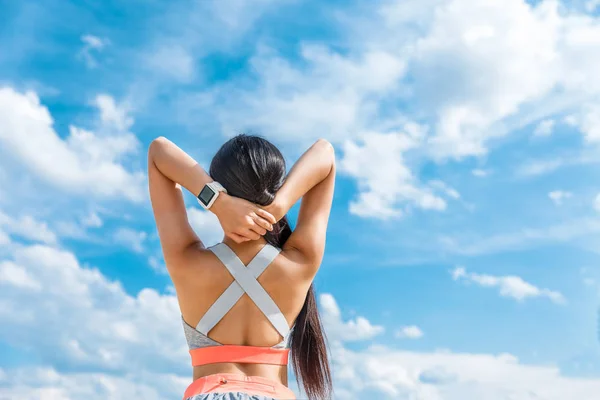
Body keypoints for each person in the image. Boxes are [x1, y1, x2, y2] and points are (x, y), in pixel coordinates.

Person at [148, 134, 336, 400]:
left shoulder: (187, 260)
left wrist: (217, 201)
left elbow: (159, 152)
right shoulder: (299, 262)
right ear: (278, 185)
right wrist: (277, 208)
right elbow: (325, 153)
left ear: (219, 185)